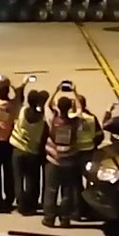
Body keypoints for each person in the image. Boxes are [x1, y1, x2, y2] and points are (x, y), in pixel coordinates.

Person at [42, 94, 81, 228]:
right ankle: (65, 218)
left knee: (51, 190)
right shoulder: (75, 122)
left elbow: (46, 105)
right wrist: (75, 94)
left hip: (53, 160)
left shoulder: (53, 120)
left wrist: (55, 91)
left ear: (58, 107)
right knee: (67, 191)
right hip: (69, 161)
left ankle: (49, 218)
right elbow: (80, 111)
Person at [0, 76, 23, 212]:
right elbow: (20, 95)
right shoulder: (13, 104)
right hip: (8, 142)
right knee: (9, 173)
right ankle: (9, 199)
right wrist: (13, 84)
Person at [9, 90, 47, 216]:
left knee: (18, 179)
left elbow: (19, 100)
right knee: (31, 179)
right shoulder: (40, 119)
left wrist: (22, 86)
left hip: (18, 149)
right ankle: (31, 204)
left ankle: (21, 204)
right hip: (32, 152)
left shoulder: (22, 112)